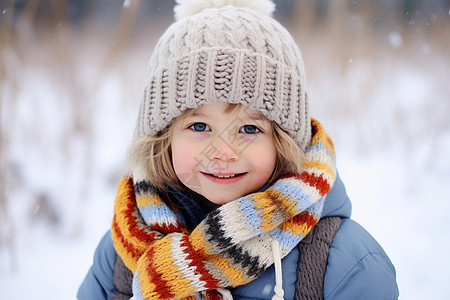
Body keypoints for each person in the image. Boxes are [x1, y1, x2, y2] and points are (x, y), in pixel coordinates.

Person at [78, 0, 399, 299]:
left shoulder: (345, 265)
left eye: (249, 129)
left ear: (283, 141)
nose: (223, 151)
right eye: (199, 126)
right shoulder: (126, 249)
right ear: (164, 139)